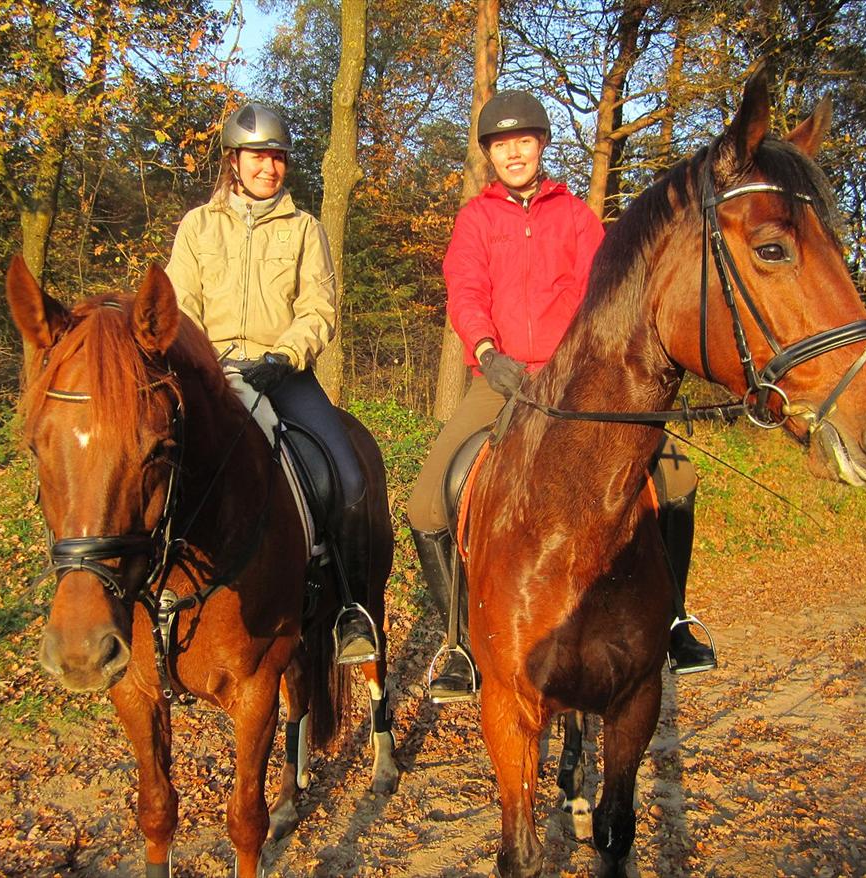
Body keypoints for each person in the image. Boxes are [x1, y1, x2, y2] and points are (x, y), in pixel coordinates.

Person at [407, 89, 716, 704]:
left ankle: (676, 621)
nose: (514, 153)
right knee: (425, 506)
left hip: (575, 383)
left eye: (524, 141)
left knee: (677, 482)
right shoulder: (475, 221)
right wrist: (489, 354)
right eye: (502, 144)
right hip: (500, 382)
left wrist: (580, 367)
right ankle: (462, 642)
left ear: (542, 145)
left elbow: (605, 298)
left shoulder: (578, 218)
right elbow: (465, 291)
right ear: (490, 155)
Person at [165, 101, 376, 664]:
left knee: (350, 479)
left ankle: (352, 610)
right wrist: (202, 363)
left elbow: (318, 306)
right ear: (234, 161)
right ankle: (144, 603)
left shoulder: (306, 228)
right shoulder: (197, 226)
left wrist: (283, 357)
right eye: (259, 155)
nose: (269, 167)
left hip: (283, 374)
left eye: (278, 157)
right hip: (209, 376)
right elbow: (179, 306)